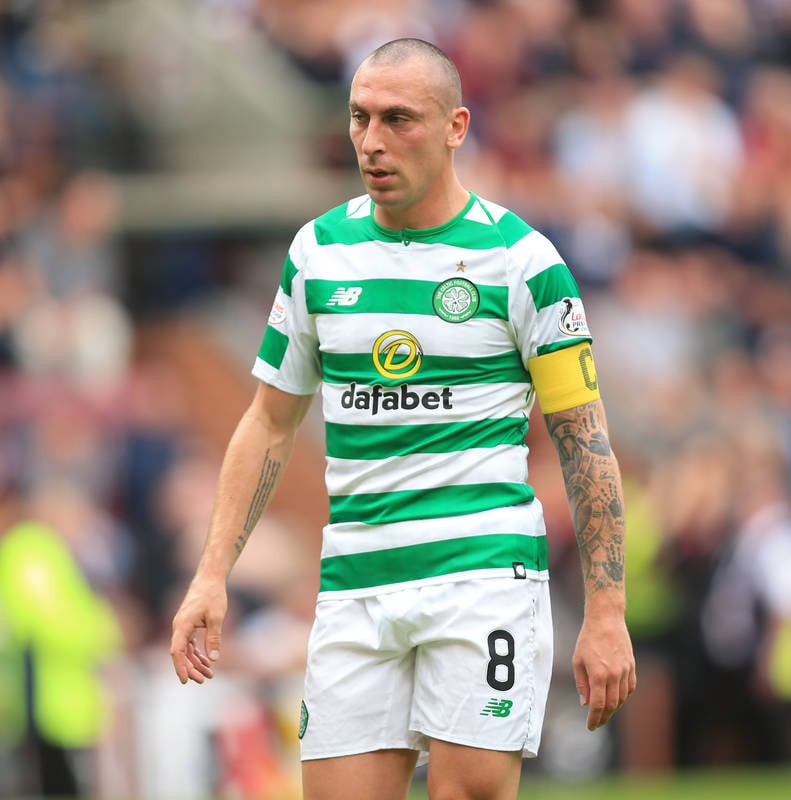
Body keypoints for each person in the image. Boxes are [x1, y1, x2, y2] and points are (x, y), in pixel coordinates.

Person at [170, 37, 636, 800]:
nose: (372, 141)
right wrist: (211, 574)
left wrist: (605, 611)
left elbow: (584, 443)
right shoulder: (318, 254)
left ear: (455, 127)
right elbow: (268, 422)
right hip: (355, 584)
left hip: (481, 578)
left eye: (398, 120)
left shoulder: (521, 262)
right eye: (359, 119)